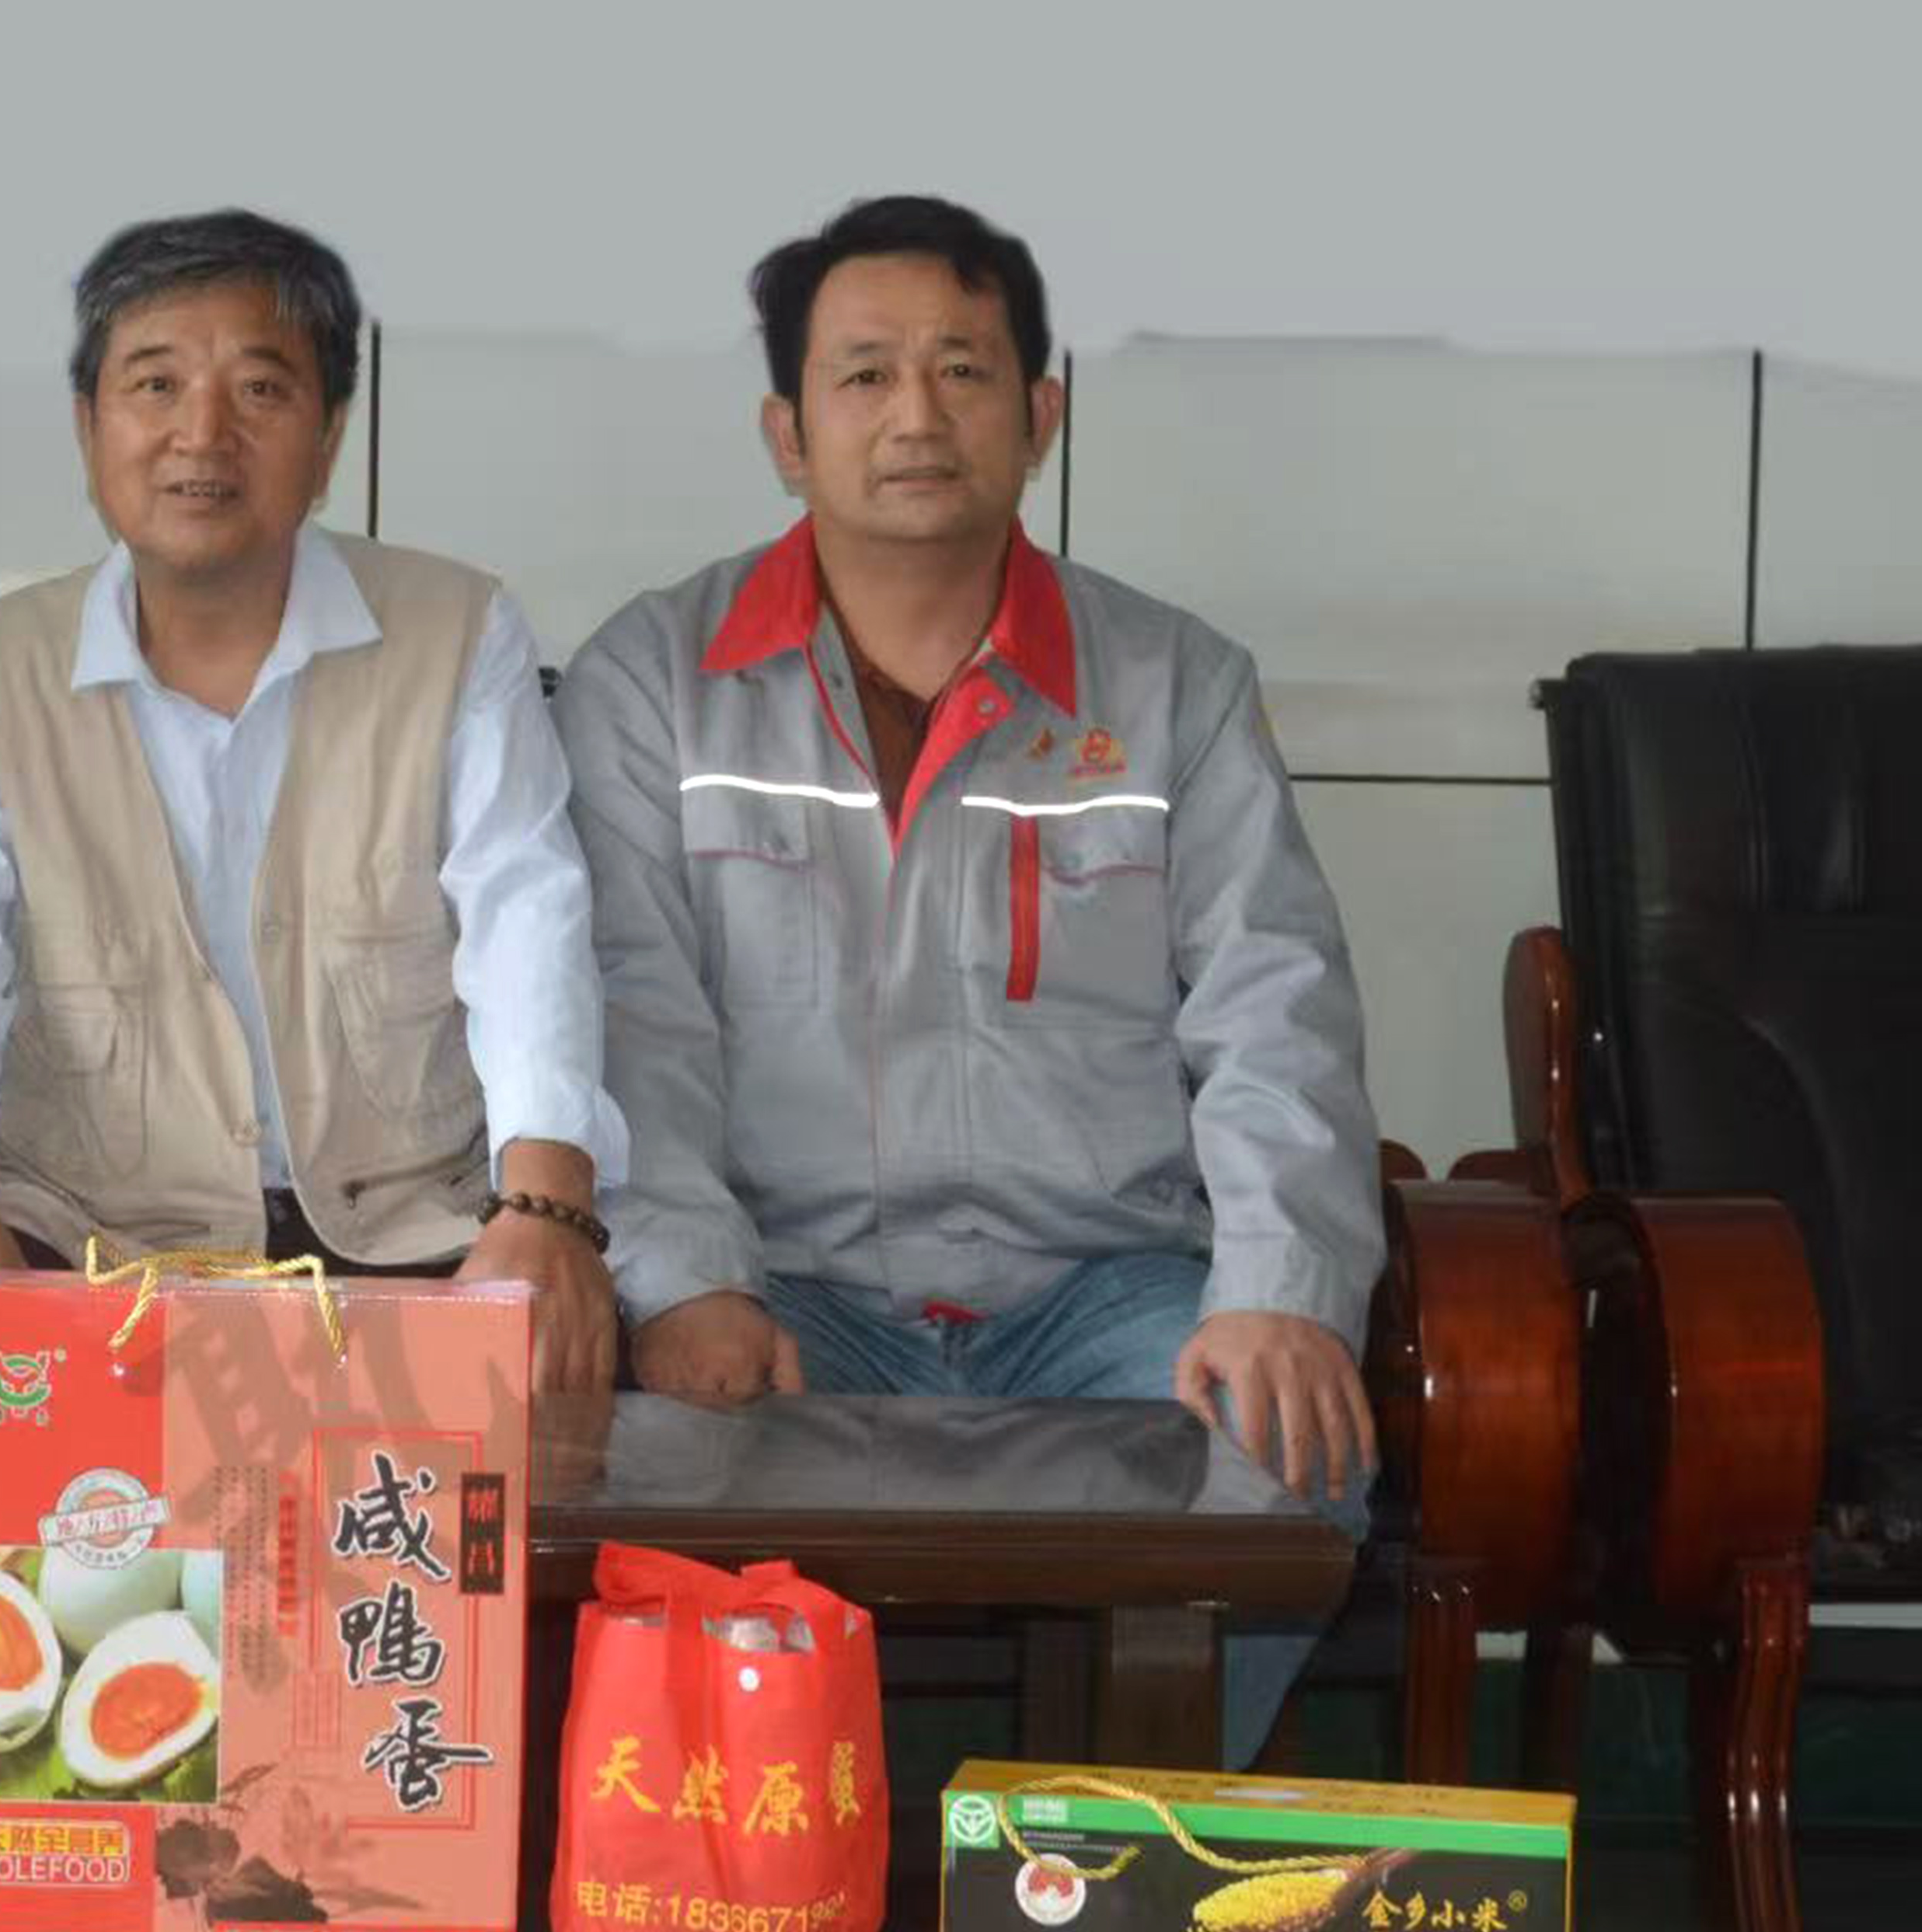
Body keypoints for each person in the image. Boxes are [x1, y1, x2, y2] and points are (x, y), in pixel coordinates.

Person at [556, 194, 1382, 1764]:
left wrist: (1280, 1294)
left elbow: (1278, 1009)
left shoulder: (1177, 687)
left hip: (1103, 1289)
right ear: (788, 433)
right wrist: (683, 1276)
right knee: (622, 1464)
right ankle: (768, 1870)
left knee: (1290, 1445)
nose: (917, 418)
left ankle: (1094, 1860)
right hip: (786, 1285)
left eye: (963, 371)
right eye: (865, 375)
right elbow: (625, 1012)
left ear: (1041, 416)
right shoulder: (653, 685)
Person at [0, 209, 625, 1392]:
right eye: (154, 385)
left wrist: (545, 1201)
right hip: (90, 1239)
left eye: (260, 390)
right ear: (89, 426)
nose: (201, 434)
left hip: (407, 1235)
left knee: (540, 1399)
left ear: (329, 435)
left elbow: (526, 921)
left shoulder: (461, 633)